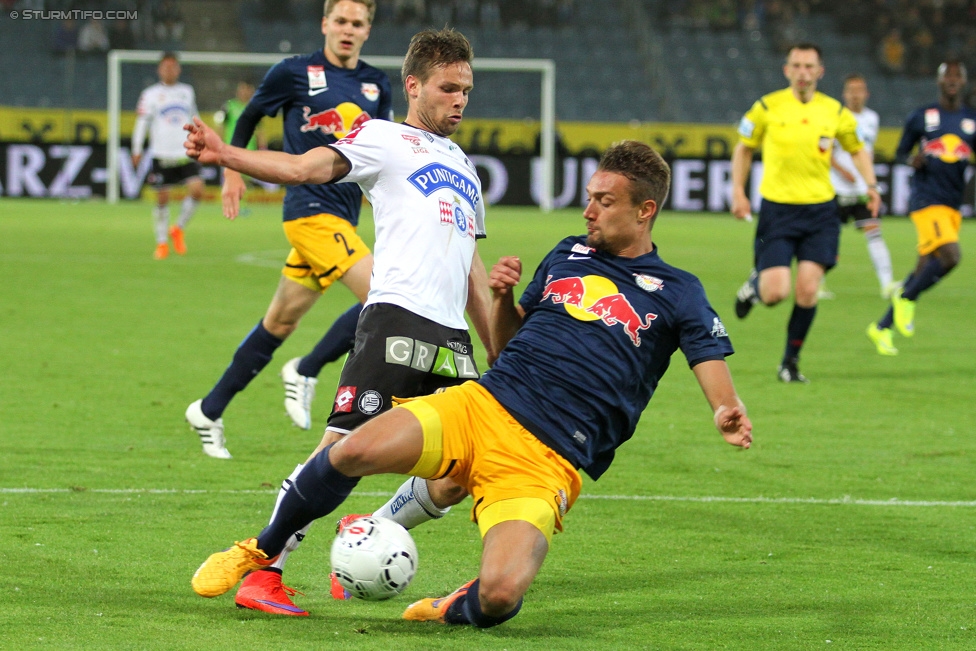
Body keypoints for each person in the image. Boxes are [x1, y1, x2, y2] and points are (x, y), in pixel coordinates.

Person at [188, 140, 753, 628]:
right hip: (483, 405)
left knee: (502, 596)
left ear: (645, 210)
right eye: (589, 198)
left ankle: (451, 607)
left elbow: (710, 363)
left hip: (545, 461)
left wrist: (725, 409)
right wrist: (505, 300)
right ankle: (258, 551)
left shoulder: (678, 291)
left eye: (604, 203)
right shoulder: (566, 254)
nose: (588, 211)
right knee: (352, 448)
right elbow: (505, 346)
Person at [185, 27, 496, 618]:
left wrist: (494, 348)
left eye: (467, 90)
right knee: (341, 452)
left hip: (452, 339)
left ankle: (366, 536)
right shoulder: (383, 138)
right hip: (396, 321)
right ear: (414, 85)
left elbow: (473, 270)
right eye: (448, 88)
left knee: (465, 470)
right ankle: (263, 567)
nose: (459, 100)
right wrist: (226, 156)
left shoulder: (463, 165)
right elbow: (305, 168)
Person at [185, 0, 394, 460]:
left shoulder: (377, 84)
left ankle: (209, 408)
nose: (347, 29)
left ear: (367, 32)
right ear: (324, 24)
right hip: (308, 211)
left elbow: (383, 152)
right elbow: (251, 114)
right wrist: (231, 171)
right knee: (385, 297)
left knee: (279, 321)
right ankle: (308, 367)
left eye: (357, 23)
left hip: (345, 214)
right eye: (340, 20)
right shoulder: (294, 72)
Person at [730, 43, 881, 383]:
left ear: (819, 71)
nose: (802, 72)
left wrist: (872, 186)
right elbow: (744, 149)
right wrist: (738, 192)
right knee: (775, 294)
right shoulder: (767, 106)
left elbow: (857, 150)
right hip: (778, 211)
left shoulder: (834, 111)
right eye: (796, 66)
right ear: (787, 70)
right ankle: (756, 287)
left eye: (809, 66)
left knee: (808, 291)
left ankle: (790, 363)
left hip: (821, 212)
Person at [866, 60, 976, 356]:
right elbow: (901, 151)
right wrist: (909, 160)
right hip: (926, 200)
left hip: (952, 205)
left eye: (958, 75)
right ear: (939, 82)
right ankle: (907, 299)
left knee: (925, 267)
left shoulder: (971, 119)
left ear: (964, 82)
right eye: (947, 76)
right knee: (951, 256)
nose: (952, 80)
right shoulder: (922, 117)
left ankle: (882, 327)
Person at [824, 73, 895, 299]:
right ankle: (816, 285)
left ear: (867, 94)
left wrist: (869, 180)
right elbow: (825, 152)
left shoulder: (872, 119)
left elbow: (867, 152)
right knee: (826, 237)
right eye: (851, 90)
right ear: (844, 94)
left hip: (862, 190)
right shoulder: (835, 117)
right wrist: (843, 171)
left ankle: (888, 284)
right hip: (836, 188)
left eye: (859, 90)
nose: (855, 95)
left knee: (874, 232)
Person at [131, 52, 204, 261]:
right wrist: (137, 148)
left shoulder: (187, 92)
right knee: (162, 198)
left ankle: (178, 228)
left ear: (178, 69)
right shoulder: (150, 94)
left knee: (197, 190)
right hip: (161, 153)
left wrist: (201, 138)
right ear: (159, 69)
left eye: (173, 66)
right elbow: (141, 123)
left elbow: (194, 117)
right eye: (166, 67)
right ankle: (162, 242)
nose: (169, 70)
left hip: (185, 151)